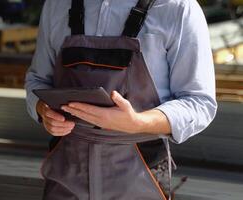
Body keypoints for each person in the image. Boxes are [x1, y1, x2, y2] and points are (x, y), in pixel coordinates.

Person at [25, 0, 217, 199]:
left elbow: (199, 102)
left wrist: (138, 123)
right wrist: (42, 109)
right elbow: (37, 80)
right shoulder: (57, 5)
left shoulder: (178, 8)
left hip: (140, 175)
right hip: (67, 173)